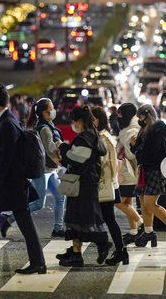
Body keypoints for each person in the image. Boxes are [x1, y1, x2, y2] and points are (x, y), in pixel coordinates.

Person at [0, 82, 45, 274]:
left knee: (0, 219)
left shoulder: (8, 123)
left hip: (12, 184)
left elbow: (7, 158)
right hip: (13, 184)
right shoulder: (7, 121)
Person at [1, 97, 66, 238]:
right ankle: (8, 219)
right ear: (44, 113)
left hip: (50, 170)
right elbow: (50, 150)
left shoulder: (48, 126)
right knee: (37, 204)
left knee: (60, 197)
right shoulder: (45, 129)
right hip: (42, 171)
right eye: (51, 109)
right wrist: (63, 162)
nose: (53, 111)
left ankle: (58, 228)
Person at [55, 106, 109, 267]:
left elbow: (76, 157)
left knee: (87, 218)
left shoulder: (85, 137)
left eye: (73, 122)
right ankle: (76, 254)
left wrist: (61, 146)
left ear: (79, 121)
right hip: (84, 182)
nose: (73, 125)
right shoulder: (92, 136)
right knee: (75, 219)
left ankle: (103, 243)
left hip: (83, 183)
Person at [129, 104, 166, 249]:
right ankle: (149, 232)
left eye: (141, 116)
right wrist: (134, 146)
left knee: (150, 203)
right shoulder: (145, 130)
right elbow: (140, 150)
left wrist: (137, 151)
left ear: (148, 115)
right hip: (146, 170)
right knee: (144, 202)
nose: (139, 119)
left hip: (155, 170)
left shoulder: (155, 132)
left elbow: (150, 155)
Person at [92, 106, 128, 265]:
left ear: (97, 120)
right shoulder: (105, 136)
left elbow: (102, 162)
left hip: (104, 183)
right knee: (107, 219)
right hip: (109, 183)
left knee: (104, 219)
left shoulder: (101, 138)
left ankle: (115, 249)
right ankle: (119, 251)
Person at [115, 103, 144, 244]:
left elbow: (132, 155)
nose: (118, 117)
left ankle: (141, 224)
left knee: (118, 201)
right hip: (130, 173)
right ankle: (134, 231)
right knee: (127, 202)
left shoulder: (131, 130)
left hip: (129, 171)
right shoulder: (130, 128)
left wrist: (123, 148)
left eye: (120, 114)